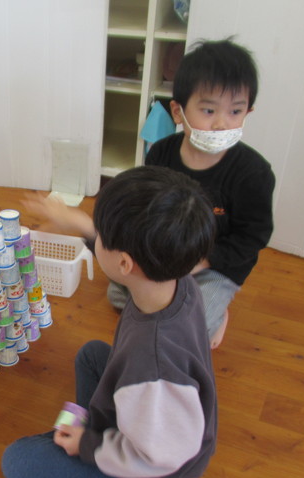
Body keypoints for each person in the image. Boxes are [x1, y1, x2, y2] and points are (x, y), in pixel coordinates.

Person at [2, 166, 217, 478]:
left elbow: (160, 456)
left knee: (17, 462)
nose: (96, 238)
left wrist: (88, 446)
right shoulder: (174, 278)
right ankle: (98, 433)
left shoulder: (153, 365)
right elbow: (123, 260)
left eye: (100, 236)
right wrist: (80, 224)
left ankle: (91, 441)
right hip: (153, 414)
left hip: (154, 477)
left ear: (125, 263)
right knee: (91, 355)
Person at [109, 38, 275, 349]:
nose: (222, 124)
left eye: (236, 111)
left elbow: (253, 236)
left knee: (191, 327)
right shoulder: (161, 154)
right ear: (178, 111)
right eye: (209, 110)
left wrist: (202, 261)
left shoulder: (253, 173)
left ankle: (217, 314)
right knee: (118, 294)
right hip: (167, 252)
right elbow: (146, 210)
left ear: (248, 112)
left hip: (215, 267)